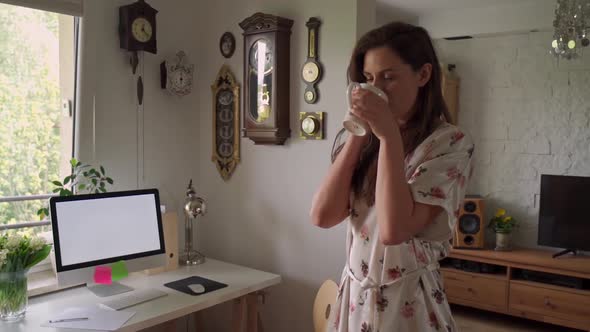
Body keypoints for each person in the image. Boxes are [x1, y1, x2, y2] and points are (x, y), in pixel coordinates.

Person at [310, 22, 474, 332]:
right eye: (369, 79)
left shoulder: (450, 143)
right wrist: (359, 133)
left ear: (423, 75)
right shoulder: (368, 141)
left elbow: (393, 229)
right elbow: (322, 215)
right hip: (355, 298)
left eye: (389, 78)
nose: (376, 90)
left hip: (408, 303)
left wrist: (388, 138)